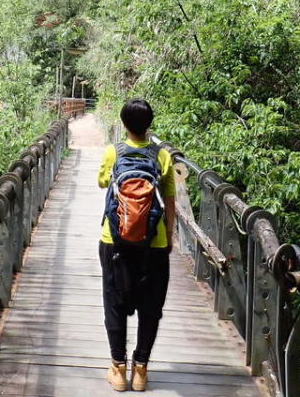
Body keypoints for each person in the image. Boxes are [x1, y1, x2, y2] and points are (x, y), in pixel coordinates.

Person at [97, 98, 176, 392]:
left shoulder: (112, 152)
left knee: (114, 302)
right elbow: (170, 200)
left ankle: (118, 370)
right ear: (149, 125)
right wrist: (167, 236)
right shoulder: (163, 156)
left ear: (123, 124)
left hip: (114, 239)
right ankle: (140, 370)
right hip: (153, 242)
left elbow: (102, 182)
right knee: (151, 305)